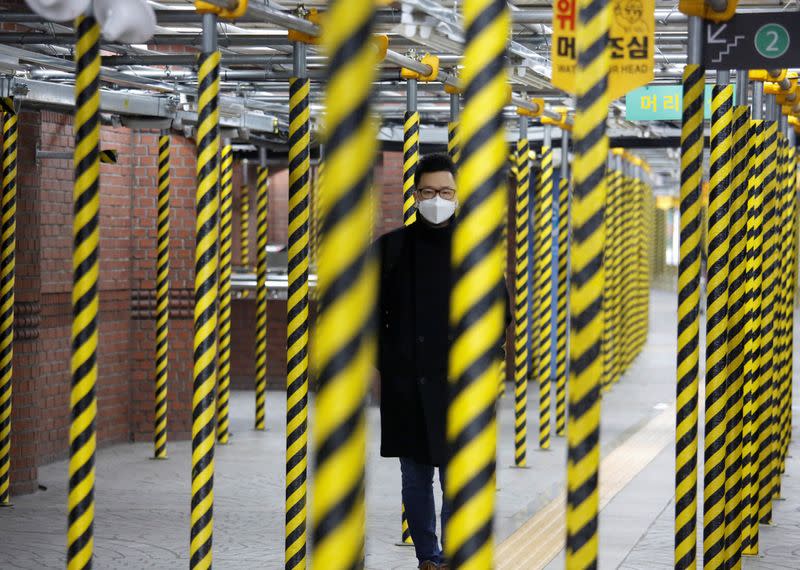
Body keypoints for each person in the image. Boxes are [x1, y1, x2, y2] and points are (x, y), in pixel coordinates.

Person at [375, 152, 510, 570]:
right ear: (415, 195)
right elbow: (365, 316)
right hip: (408, 383)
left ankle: (456, 556)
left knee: (458, 479)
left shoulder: (477, 248)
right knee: (415, 479)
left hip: (462, 385)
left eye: (446, 192)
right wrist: (391, 363)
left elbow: (499, 315)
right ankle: (429, 559)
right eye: (430, 191)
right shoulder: (391, 248)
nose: (438, 198)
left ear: (457, 195)